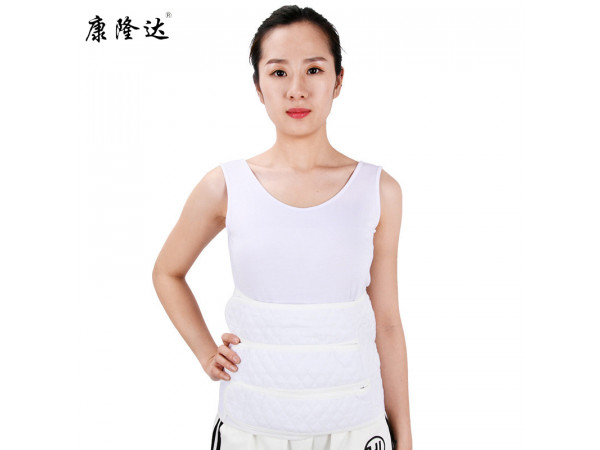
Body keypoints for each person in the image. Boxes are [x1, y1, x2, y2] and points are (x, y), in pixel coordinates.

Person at [152, 5, 412, 450]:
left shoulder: (379, 190)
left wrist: (404, 437)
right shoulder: (225, 186)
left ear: (338, 80)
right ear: (258, 86)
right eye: (278, 73)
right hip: (252, 427)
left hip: (355, 425)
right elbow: (167, 272)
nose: (297, 89)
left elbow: (386, 322)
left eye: (314, 69)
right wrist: (205, 352)